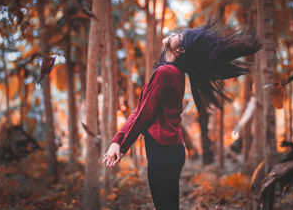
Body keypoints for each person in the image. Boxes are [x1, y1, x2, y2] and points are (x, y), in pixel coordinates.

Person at [102, 22, 262, 210]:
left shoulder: (165, 73)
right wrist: (119, 142)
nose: (176, 33)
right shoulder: (173, 72)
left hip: (162, 153)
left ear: (180, 50)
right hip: (170, 151)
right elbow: (141, 110)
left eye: (181, 36)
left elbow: (144, 114)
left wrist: (119, 143)